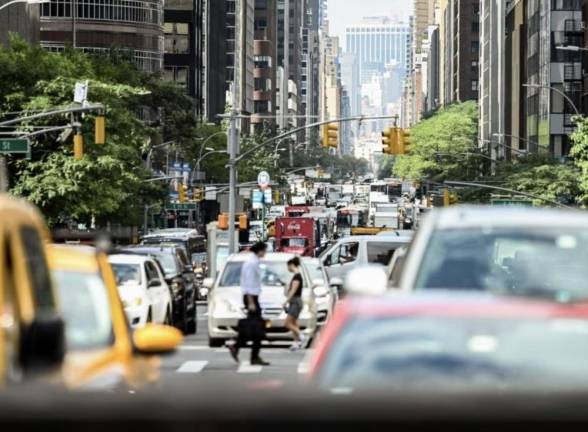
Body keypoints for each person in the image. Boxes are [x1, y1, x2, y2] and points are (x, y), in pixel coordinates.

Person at [228, 241, 270, 366]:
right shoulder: (252, 263)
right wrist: (251, 302)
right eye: (265, 251)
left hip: (251, 297)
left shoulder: (253, 261)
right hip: (250, 297)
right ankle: (253, 356)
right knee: (257, 327)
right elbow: (249, 284)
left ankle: (237, 346)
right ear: (260, 250)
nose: (265, 253)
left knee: (253, 327)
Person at [283, 256, 305, 351]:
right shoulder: (296, 276)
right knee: (294, 323)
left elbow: (293, 291)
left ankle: (302, 336)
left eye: (288, 266)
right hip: (295, 302)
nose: (288, 269)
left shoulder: (297, 277)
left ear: (291, 265)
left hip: (296, 302)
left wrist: (286, 301)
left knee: (287, 323)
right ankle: (296, 343)